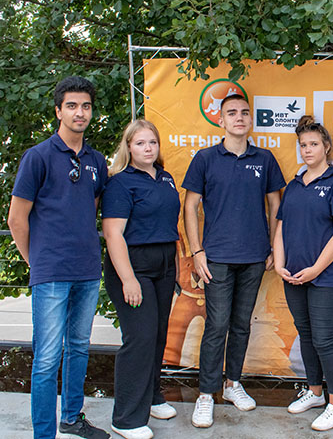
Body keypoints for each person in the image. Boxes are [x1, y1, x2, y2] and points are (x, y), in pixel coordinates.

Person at [7, 76, 109, 439]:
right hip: (50, 271)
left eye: (86, 106)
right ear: (58, 111)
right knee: (48, 358)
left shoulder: (96, 161)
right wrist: (34, 260)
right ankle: (44, 433)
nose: (80, 112)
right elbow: (16, 218)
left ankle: (71, 418)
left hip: (86, 270)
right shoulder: (38, 157)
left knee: (79, 348)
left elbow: (91, 208)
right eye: (72, 106)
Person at [183, 94, 285, 428]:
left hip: (254, 257)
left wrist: (274, 247)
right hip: (216, 258)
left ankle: (232, 384)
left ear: (251, 119)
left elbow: (275, 205)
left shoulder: (265, 159)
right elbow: (190, 206)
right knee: (217, 325)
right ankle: (206, 394)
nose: (239, 117)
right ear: (221, 120)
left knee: (241, 324)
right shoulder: (205, 159)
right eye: (231, 113)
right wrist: (197, 251)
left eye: (244, 112)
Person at [273, 115, 333, 432]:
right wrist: (279, 263)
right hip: (293, 276)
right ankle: (315, 392)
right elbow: (281, 228)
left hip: (326, 278)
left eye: (313, 144)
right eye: (303, 145)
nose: (307, 150)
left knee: (325, 339)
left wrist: (315, 269)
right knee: (306, 335)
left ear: (326, 147)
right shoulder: (294, 185)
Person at [102, 120, 180, 439]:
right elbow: (113, 234)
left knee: (158, 335)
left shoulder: (165, 177)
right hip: (134, 266)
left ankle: (152, 397)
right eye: (140, 143)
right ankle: (126, 419)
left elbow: (169, 225)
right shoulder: (121, 183)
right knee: (140, 338)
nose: (148, 148)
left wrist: (175, 268)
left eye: (152, 142)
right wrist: (128, 279)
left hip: (164, 264)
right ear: (128, 147)